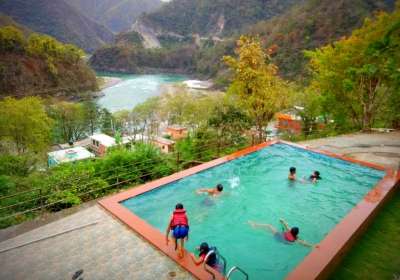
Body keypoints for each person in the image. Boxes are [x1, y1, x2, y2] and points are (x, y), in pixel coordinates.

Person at [248, 219, 316, 248]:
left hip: (278, 236)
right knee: (268, 230)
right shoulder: (296, 238)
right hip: (283, 241)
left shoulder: (289, 230)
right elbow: (304, 244)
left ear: (291, 230)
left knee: (268, 226)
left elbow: (286, 226)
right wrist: (313, 246)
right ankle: (255, 226)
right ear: (297, 233)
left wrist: (283, 221)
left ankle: (255, 225)